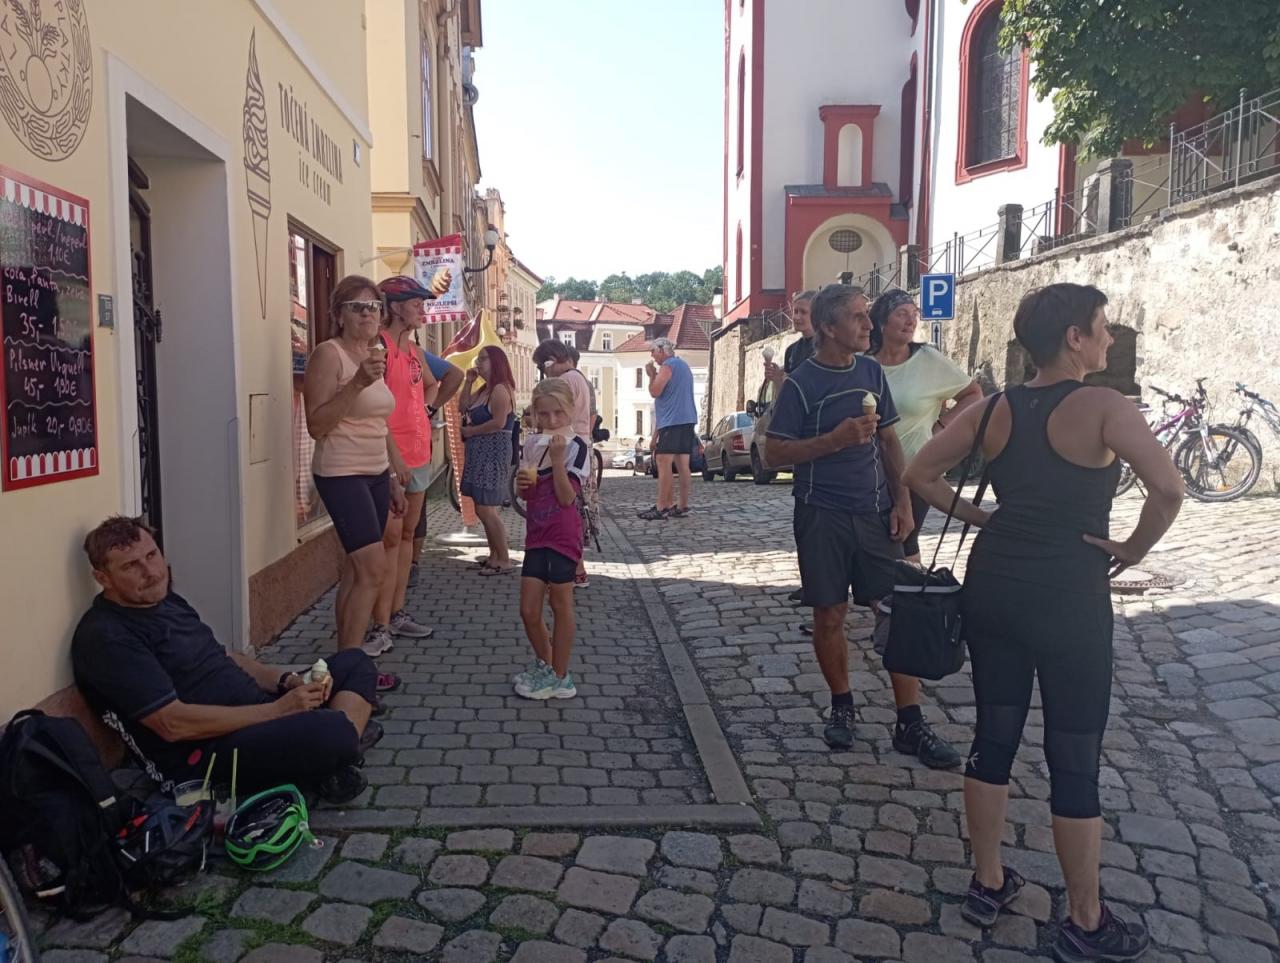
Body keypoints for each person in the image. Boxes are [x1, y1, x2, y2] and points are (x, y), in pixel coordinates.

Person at [904, 284, 1182, 959]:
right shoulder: (1105, 406)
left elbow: (920, 471)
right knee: (1073, 754)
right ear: (1074, 338)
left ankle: (988, 879)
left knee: (993, 734)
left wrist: (982, 518)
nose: (1109, 337)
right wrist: (1133, 549)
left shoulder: (994, 408)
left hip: (995, 586)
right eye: (1102, 327)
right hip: (1068, 595)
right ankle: (1085, 920)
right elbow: (1169, 488)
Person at [764, 284, 961, 769]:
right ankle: (842, 704)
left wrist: (902, 501)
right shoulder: (801, 383)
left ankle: (910, 721)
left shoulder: (871, 371)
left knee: (896, 612)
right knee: (829, 614)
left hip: (874, 513)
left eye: (866, 316)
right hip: (821, 514)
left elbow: (889, 441)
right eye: (857, 317)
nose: (868, 325)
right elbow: (773, 453)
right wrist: (833, 440)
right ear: (829, 327)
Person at [72, 517, 380, 803]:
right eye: (131, 566)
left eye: (152, 555)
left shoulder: (166, 601)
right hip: (205, 754)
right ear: (103, 578)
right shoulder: (108, 637)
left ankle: (327, 759)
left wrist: (286, 681)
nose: (151, 572)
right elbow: (172, 724)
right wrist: (278, 711)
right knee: (334, 731)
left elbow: (227, 657)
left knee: (355, 662)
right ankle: (333, 753)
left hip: (257, 712)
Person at [303, 275, 406, 657]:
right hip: (341, 472)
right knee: (372, 569)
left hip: (375, 472)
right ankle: (354, 666)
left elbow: (378, 422)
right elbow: (316, 425)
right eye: (357, 307)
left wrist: (392, 476)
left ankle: (344, 657)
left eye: (374, 306)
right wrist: (357, 383)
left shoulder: (375, 352)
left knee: (356, 569)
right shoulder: (328, 354)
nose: (367, 314)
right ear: (338, 315)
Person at [870, 289, 983, 561]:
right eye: (902, 314)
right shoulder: (863, 362)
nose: (911, 321)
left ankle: (909, 585)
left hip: (915, 466)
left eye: (914, 314)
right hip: (869, 470)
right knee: (877, 545)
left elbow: (973, 394)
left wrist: (941, 427)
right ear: (882, 322)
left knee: (904, 540)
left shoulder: (928, 359)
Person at [363, 275, 443, 655]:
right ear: (395, 307)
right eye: (415, 304)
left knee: (408, 536)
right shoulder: (378, 348)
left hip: (419, 453)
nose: (421, 310)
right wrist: (394, 456)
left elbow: (432, 383)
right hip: (389, 455)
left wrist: (425, 411)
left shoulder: (413, 350)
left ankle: (396, 613)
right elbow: (373, 409)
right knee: (389, 539)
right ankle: (378, 625)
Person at [512, 378, 591, 700]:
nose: (552, 420)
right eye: (543, 414)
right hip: (536, 533)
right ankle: (546, 664)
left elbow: (566, 497)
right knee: (528, 610)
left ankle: (561, 676)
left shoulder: (578, 447)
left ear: (570, 409)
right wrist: (523, 486)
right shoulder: (532, 444)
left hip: (562, 535)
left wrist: (558, 460)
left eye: (558, 412)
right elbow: (527, 496)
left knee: (560, 604)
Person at [531, 339, 595, 587]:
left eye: (543, 366)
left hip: (566, 443)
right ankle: (576, 569)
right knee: (575, 509)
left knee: (567, 508)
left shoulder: (566, 380)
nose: (544, 372)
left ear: (550, 361)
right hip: (577, 440)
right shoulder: (579, 377)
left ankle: (573, 568)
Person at [406, 350, 464, 589]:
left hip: (414, 439)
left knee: (414, 505)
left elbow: (455, 374)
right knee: (412, 505)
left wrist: (429, 408)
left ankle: (411, 563)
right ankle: (409, 564)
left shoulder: (413, 352)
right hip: (403, 440)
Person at [460, 344, 517, 574]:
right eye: (478, 358)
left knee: (487, 509)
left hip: (493, 452)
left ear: (496, 362)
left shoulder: (501, 390)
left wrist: (471, 432)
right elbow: (462, 406)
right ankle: (494, 556)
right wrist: (468, 382)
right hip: (480, 452)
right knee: (482, 507)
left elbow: (499, 423)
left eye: (483, 358)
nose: (478, 363)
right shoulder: (485, 389)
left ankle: (503, 559)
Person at [638, 337, 698, 520]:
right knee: (682, 464)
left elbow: (655, 391)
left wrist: (651, 376)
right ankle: (680, 505)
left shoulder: (667, 366)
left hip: (673, 422)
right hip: (687, 419)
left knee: (663, 461)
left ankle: (662, 506)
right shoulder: (684, 366)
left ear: (662, 350)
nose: (652, 356)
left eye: (653, 352)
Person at [764, 289, 816, 387]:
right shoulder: (791, 350)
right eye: (795, 311)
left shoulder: (826, 348)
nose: (796, 317)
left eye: (803, 312)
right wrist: (777, 379)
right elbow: (787, 393)